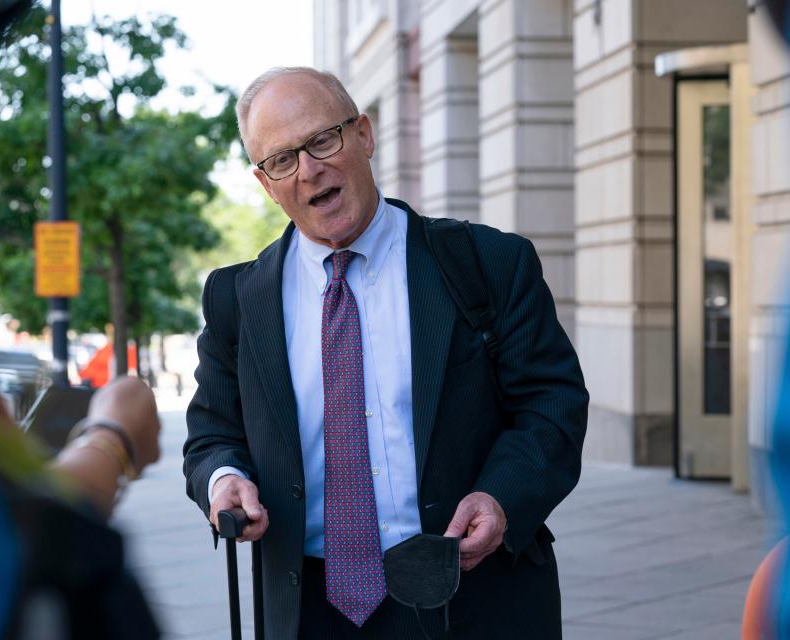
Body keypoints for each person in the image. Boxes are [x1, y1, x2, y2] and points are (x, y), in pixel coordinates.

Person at [183, 66, 589, 639]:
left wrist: (500, 497)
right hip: (308, 611)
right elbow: (211, 434)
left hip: (472, 597)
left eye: (324, 139)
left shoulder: (489, 264)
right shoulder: (237, 300)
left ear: (365, 136)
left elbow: (552, 404)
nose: (310, 169)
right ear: (265, 183)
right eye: (283, 160)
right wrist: (223, 479)